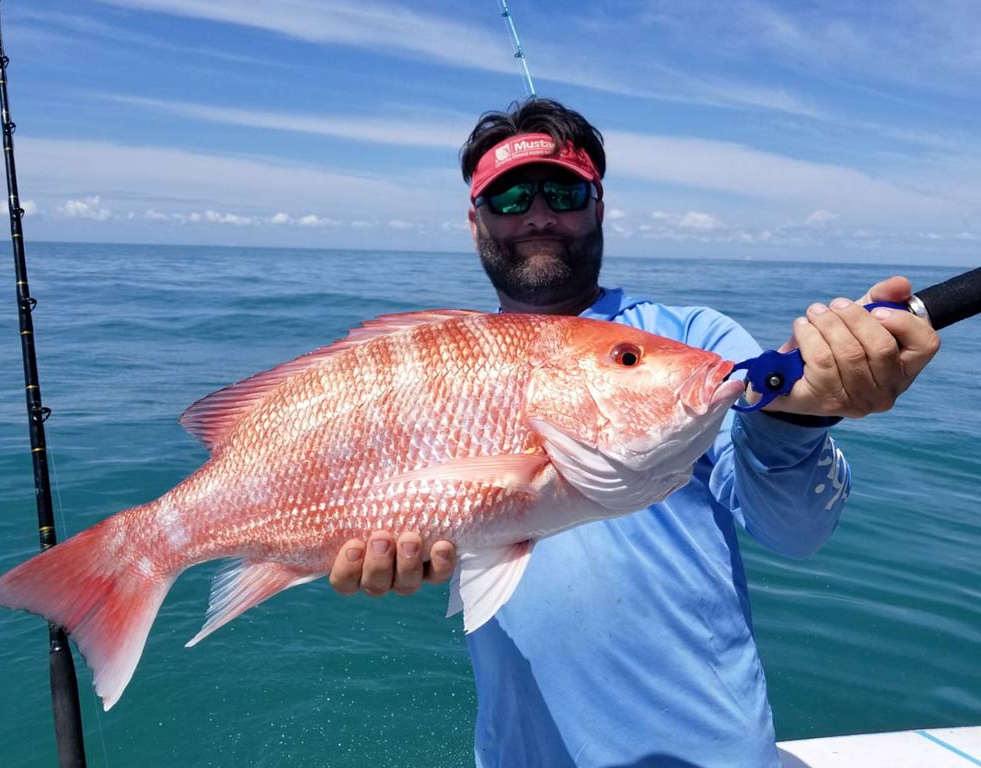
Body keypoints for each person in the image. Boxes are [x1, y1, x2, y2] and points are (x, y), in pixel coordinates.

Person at [328, 98, 941, 766]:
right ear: (474, 222)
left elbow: (798, 530)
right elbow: (430, 526)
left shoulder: (692, 342)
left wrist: (796, 422)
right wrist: (391, 552)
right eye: (507, 199)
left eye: (562, 191)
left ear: (599, 206)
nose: (538, 215)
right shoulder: (439, 364)